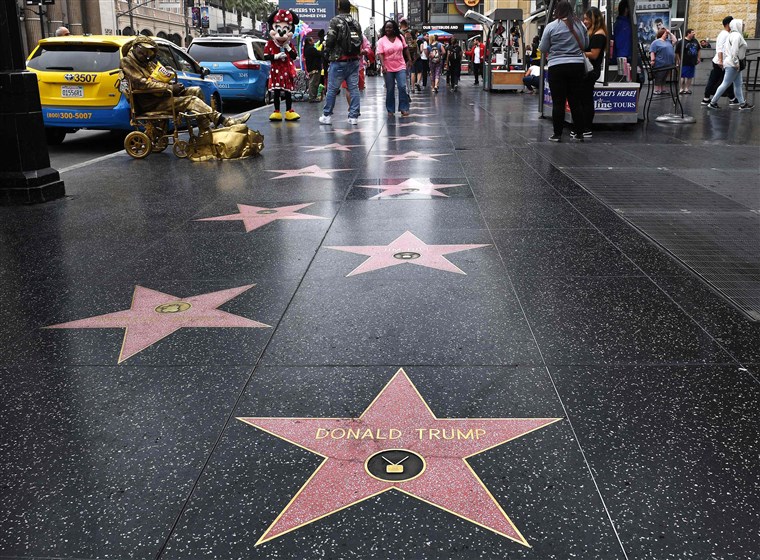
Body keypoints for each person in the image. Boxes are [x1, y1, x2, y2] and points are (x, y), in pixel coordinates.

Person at [119, 36, 248, 132]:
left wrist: (173, 85)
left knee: (196, 90)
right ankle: (225, 121)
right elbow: (143, 84)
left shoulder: (148, 63)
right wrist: (169, 87)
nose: (144, 55)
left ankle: (205, 131)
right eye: (142, 51)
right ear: (135, 48)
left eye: (148, 53)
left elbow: (158, 77)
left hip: (160, 95)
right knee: (190, 100)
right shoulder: (127, 61)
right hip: (149, 102)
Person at [538, 0, 587, 142]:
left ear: (557, 11)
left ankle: (557, 134)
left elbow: (542, 48)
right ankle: (579, 133)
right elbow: (585, 44)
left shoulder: (551, 27)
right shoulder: (580, 25)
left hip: (557, 66)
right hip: (576, 66)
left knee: (558, 101)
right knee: (575, 101)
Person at [320, 0, 362, 126]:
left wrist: (326, 52)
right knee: (354, 88)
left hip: (339, 60)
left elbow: (331, 38)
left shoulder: (335, 21)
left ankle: (327, 115)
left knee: (332, 89)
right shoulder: (356, 23)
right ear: (349, 8)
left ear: (339, 8)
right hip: (354, 60)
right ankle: (353, 117)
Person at [263, 9, 300, 121]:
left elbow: (294, 56)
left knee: (288, 93)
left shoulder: (290, 45)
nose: (281, 33)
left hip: (287, 72)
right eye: (278, 28)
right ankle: (277, 111)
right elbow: (265, 56)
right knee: (277, 92)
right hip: (276, 71)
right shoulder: (270, 44)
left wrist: (288, 48)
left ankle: (289, 111)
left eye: (286, 29)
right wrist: (276, 56)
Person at [708, 19, 753, 110]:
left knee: (738, 84)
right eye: (742, 25)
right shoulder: (737, 36)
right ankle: (712, 102)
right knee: (725, 84)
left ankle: (742, 104)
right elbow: (734, 51)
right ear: (737, 25)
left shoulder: (732, 35)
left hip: (733, 63)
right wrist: (736, 63)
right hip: (733, 64)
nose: (743, 26)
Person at [580, 6, 607, 138]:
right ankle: (584, 127)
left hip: (591, 70)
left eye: (587, 18)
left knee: (586, 99)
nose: (585, 21)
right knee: (584, 99)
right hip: (588, 70)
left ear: (594, 18)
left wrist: (580, 53)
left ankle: (586, 127)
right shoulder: (592, 32)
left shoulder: (599, 35)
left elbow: (594, 54)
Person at [377, 19, 411, 117]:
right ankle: (390, 109)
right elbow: (380, 54)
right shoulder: (381, 40)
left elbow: (405, 48)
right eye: (386, 27)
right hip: (388, 68)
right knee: (390, 89)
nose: (388, 29)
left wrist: (409, 59)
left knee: (402, 86)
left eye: (390, 27)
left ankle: (404, 108)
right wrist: (383, 66)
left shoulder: (400, 37)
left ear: (394, 28)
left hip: (401, 66)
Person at [701, 16, 737, 105]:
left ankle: (732, 98)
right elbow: (720, 48)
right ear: (728, 24)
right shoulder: (724, 34)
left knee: (727, 80)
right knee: (716, 80)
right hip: (719, 62)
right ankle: (706, 99)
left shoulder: (727, 34)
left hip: (723, 62)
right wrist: (720, 61)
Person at [649, 27, 675, 96]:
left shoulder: (668, 41)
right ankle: (657, 89)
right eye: (665, 33)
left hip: (668, 63)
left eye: (666, 33)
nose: (666, 35)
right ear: (661, 34)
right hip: (660, 63)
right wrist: (652, 60)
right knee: (659, 77)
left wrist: (669, 33)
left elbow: (675, 41)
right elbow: (652, 52)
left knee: (664, 77)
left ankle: (662, 89)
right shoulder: (655, 42)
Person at [675, 28, 700, 94]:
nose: (694, 33)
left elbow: (699, 49)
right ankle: (681, 88)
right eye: (692, 32)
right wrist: (678, 60)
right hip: (684, 61)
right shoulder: (682, 42)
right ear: (688, 33)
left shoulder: (695, 41)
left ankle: (687, 88)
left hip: (692, 61)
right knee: (682, 76)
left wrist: (698, 58)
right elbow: (677, 52)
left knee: (690, 76)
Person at [304, 36, 322, 102]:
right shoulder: (311, 49)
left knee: (313, 82)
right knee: (313, 82)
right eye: (312, 40)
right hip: (314, 68)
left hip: (311, 68)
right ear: (309, 41)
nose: (313, 41)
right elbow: (319, 54)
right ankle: (312, 97)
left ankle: (313, 96)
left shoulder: (306, 48)